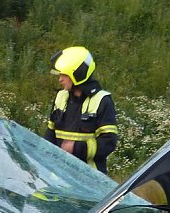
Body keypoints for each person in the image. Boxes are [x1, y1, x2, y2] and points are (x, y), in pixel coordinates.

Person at [45, 46, 118, 174]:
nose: (60, 79)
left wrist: (76, 148)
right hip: (57, 175)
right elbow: (49, 135)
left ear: (78, 74)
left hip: (88, 179)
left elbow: (108, 142)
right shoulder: (61, 97)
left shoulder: (102, 101)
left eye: (64, 75)